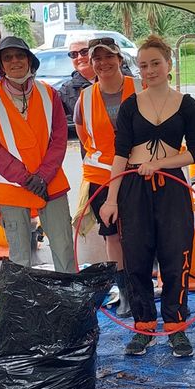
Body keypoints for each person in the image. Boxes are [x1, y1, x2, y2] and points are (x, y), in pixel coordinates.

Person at [101, 35, 195, 358]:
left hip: (172, 184)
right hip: (134, 186)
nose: (149, 70)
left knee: (177, 255)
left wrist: (158, 164)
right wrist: (111, 198)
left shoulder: (186, 104)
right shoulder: (131, 105)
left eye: (156, 63)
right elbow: (120, 153)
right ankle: (144, 324)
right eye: (143, 65)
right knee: (137, 256)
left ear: (169, 64)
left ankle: (176, 325)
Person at [0, 37, 75, 272]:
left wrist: (43, 176)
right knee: (20, 256)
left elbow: (59, 139)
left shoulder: (49, 94)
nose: (15, 61)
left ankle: (70, 302)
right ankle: (24, 306)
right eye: (7, 57)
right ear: (1, 65)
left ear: (30, 61)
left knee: (64, 249)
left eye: (20, 55)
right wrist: (25, 177)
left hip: (50, 183)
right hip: (12, 187)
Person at [73, 37, 137, 315]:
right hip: (101, 176)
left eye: (108, 57)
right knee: (111, 235)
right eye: (97, 58)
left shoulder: (140, 88)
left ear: (120, 59)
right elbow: (83, 134)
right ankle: (124, 292)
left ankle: (141, 286)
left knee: (138, 235)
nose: (103, 63)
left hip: (137, 172)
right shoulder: (85, 97)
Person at [57, 38, 93, 118]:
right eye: (74, 54)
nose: (79, 57)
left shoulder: (114, 78)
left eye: (84, 52)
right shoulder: (66, 91)